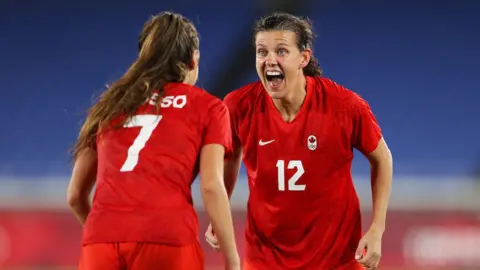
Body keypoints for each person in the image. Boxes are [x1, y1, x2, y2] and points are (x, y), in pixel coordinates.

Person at [205, 12, 393, 270]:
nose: (270, 60)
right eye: (262, 52)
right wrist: (219, 211)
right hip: (265, 259)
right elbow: (230, 155)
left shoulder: (345, 106)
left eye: (281, 51)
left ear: (303, 58)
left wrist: (377, 228)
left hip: (336, 259)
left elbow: (382, 158)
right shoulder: (238, 106)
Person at [67, 11, 240, 270]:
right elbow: (212, 187)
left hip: (101, 240)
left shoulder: (109, 105)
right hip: (166, 237)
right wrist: (232, 260)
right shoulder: (209, 108)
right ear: (194, 60)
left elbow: (75, 196)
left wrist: (109, 232)